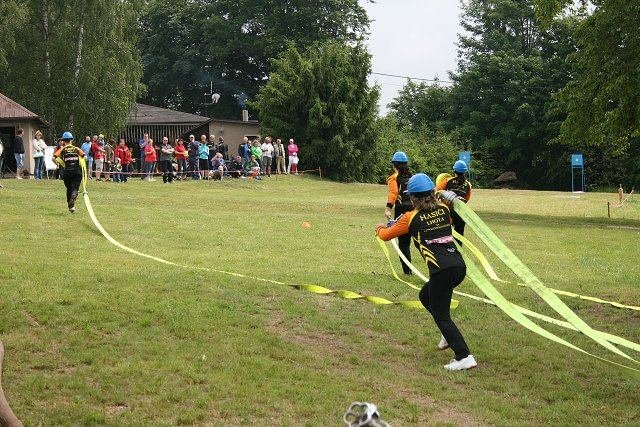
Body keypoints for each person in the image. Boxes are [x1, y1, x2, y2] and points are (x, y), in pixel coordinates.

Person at [376, 173, 477, 371]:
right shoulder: (443, 209)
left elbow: (386, 235)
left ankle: (464, 356)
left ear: (413, 197)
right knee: (425, 296)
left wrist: (379, 228)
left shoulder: (409, 217)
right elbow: (447, 217)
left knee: (442, 316)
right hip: (458, 267)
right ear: (432, 192)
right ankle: (448, 334)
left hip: (442, 271)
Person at [385, 151, 414, 275]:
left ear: (394, 165)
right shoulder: (413, 177)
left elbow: (393, 193)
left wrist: (388, 208)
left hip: (402, 210)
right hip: (415, 209)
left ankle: (407, 272)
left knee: (404, 243)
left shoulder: (394, 178)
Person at [435, 160, 472, 242]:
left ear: (454, 170)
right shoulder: (468, 185)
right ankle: (459, 248)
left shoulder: (447, 181)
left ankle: (448, 248)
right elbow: (466, 199)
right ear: (465, 172)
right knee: (459, 235)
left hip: (448, 211)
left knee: (446, 234)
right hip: (461, 212)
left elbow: (437, 192)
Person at [53, 132, 85, 213]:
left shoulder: (62, 149)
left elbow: (53, 158)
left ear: (63, 141)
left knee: (69, 188)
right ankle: (74, 194)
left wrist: (59, 163)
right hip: (77, 171)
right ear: (71, 140)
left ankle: (71, 207)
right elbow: (84, 157)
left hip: (67, 172)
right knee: (75, 188)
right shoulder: (76, 149)